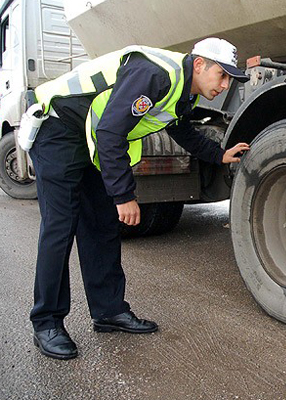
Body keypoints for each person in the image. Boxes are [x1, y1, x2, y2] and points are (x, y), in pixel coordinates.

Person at [27, 37, 250, 360]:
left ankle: (108, 311)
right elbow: (110, 132)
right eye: (223, 75)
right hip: (59, 127)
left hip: (91, 134)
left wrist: (220, 154)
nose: (225, 85)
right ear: (200, 64)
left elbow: (181, 130)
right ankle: (46, 322)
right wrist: (123, 196)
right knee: (60, 227)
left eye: (231, 79)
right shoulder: (155, 74)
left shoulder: (184, 90)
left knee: (101, 227)